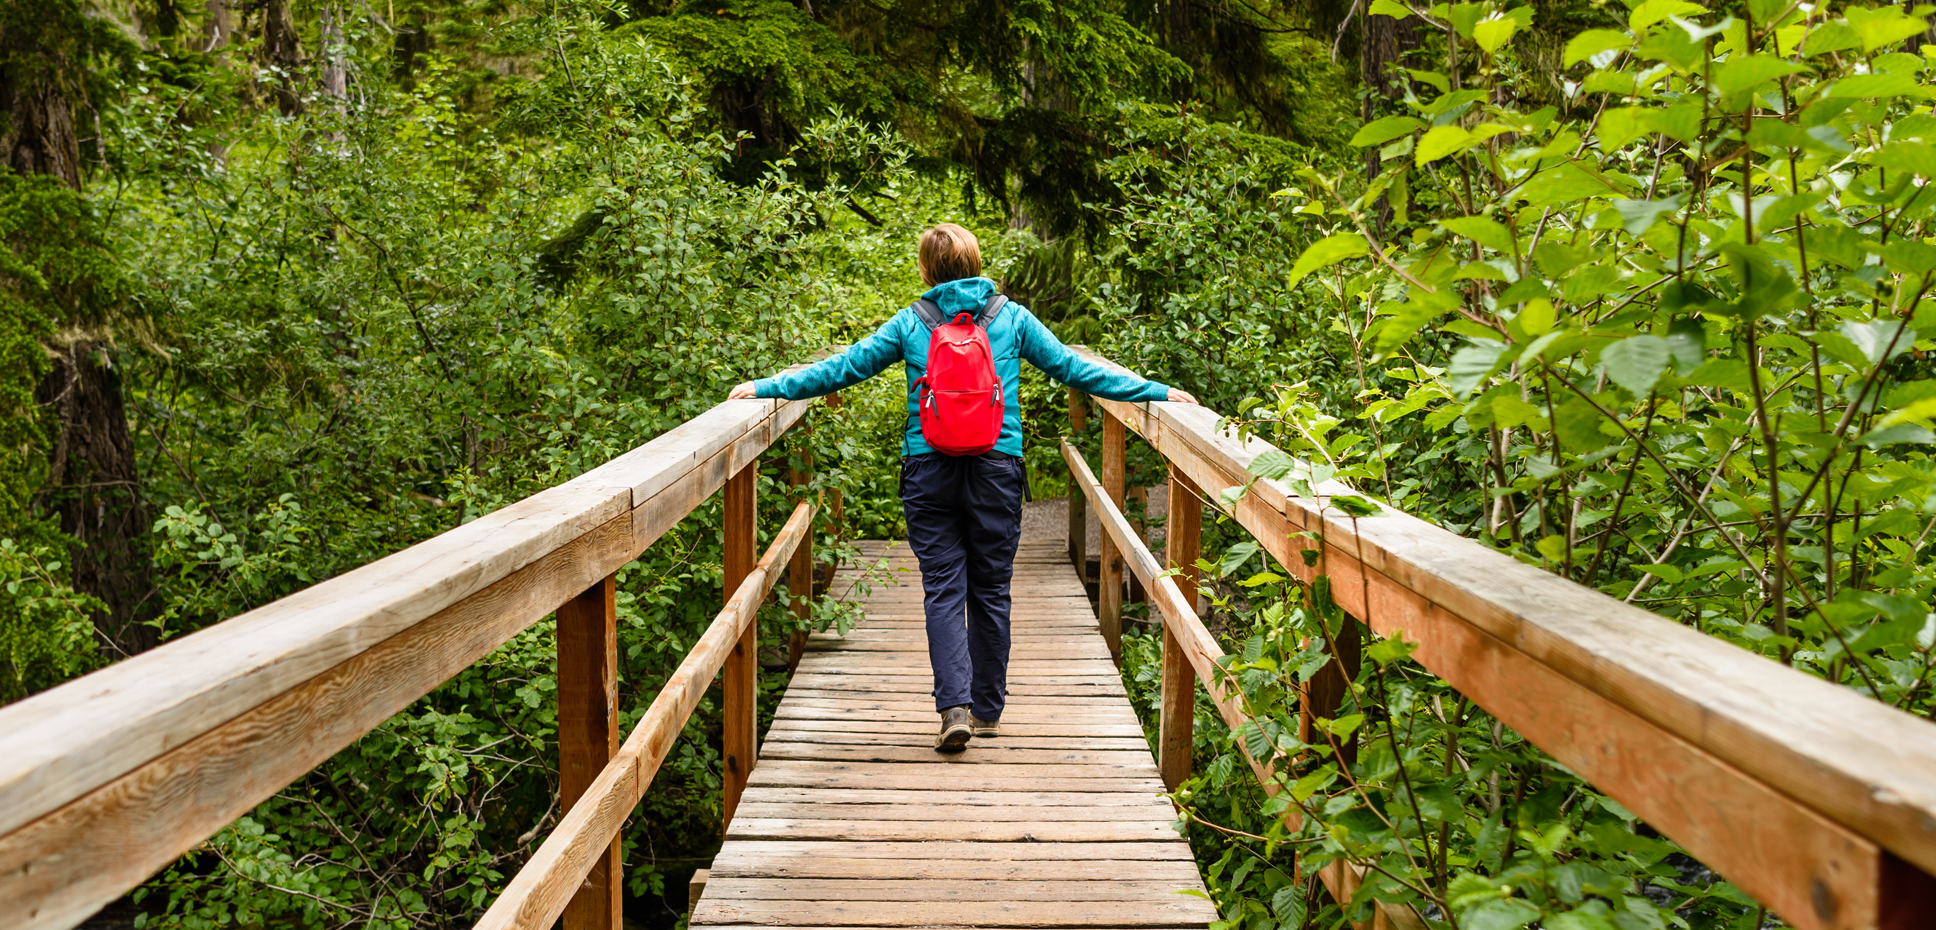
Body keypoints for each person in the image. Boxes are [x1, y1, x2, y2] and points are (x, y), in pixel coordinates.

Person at [730, 223, 1196, 752]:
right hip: (997, 467)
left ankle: (954, 708)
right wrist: (1154, 390)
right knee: (991, 589)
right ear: (977, 263)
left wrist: (768, 387)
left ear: (927, 271)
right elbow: (1074, 368)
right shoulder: (1011, 317)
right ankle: (988, 710)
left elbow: (844, 367)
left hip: (928, 470)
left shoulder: (912, 321)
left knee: (943, 588)